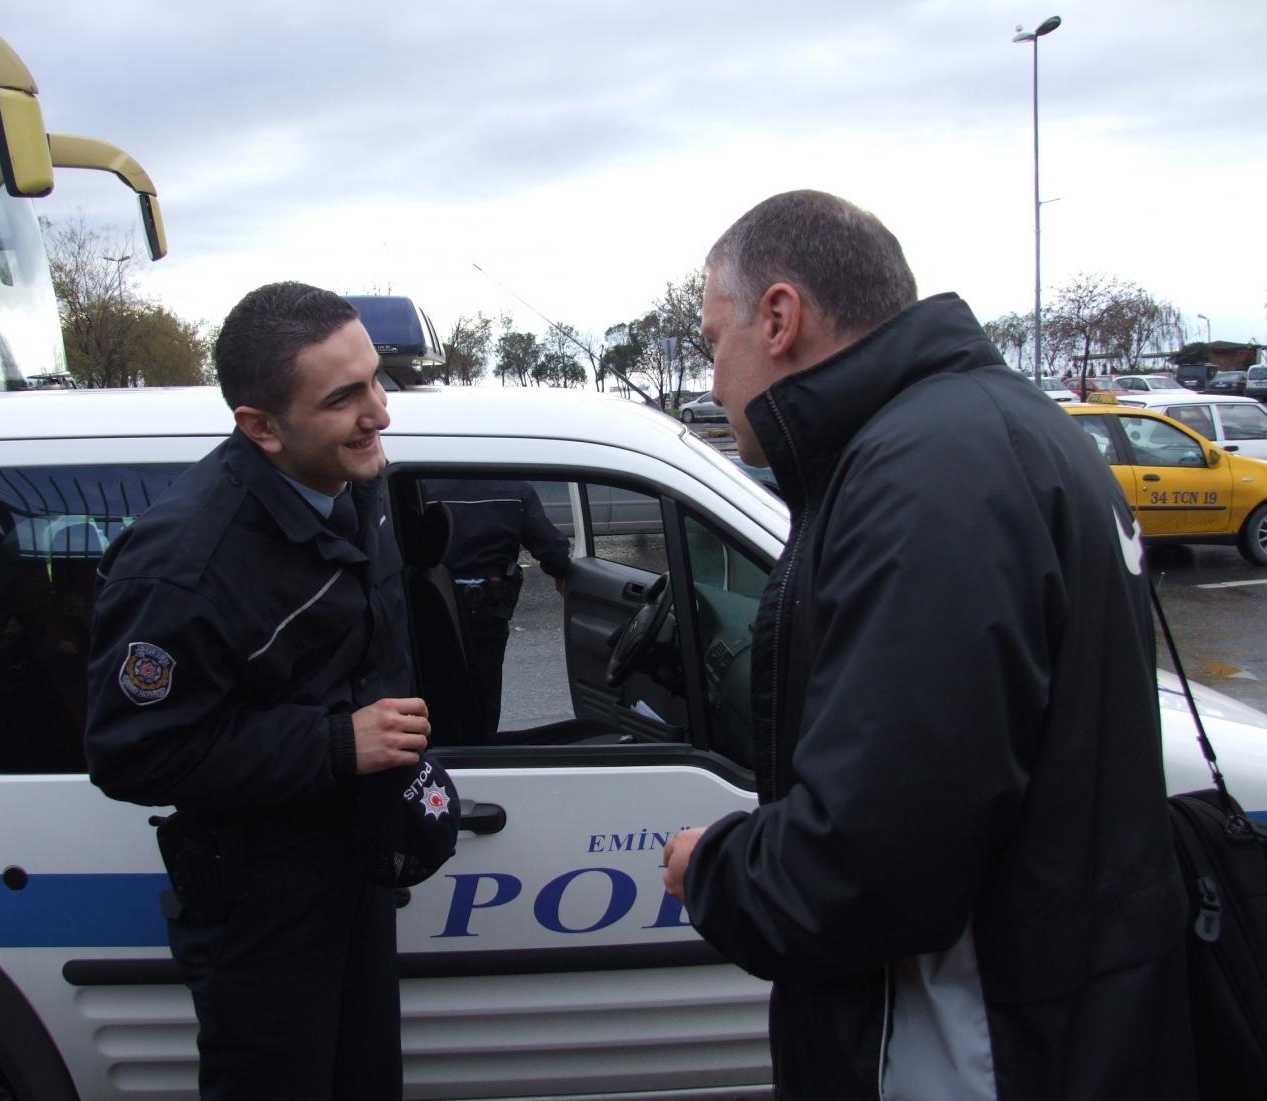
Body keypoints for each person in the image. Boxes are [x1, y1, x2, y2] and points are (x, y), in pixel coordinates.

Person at [661, 191, 1195, 1099]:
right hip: (1064, 1022)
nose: (713, 384)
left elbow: (871, 868)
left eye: (715, 342)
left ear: (779, 318)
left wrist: (709, 865)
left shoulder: (926, 477)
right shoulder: (1004, 428)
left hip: (975, 1049)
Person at [84, 282, 429, 1101]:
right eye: (344, 398)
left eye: (376, 380)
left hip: (351, 869)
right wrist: (337, 743)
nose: (379, 413)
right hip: (262, 910)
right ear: (262, 427)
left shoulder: (352, 478)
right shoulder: (184, 568)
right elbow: (132, 751)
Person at [421, 478, 570, 736]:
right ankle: (479, 749)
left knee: (432, 689)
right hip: (487, 614)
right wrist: (562, 573)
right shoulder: (515, 490)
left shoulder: (421, 483)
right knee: (483, 698)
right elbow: (552, 551)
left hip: (430, 610)